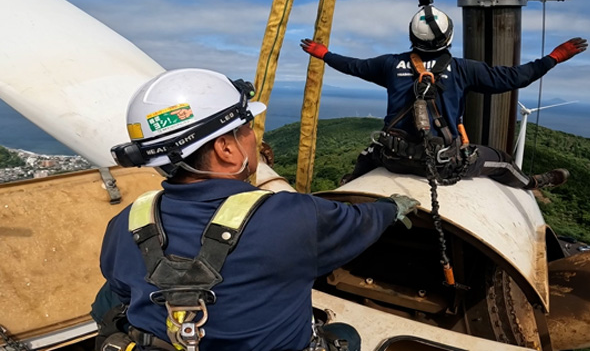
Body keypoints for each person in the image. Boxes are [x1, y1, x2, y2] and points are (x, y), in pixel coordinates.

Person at [97, 68, 420, 351]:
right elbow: (361, 222)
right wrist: (390, 208)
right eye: (246, 127)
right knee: (344, 333)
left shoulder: (126, 222)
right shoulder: (292, 216)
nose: (254, 138)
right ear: (226, 149)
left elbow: (121, 288)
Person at [300, 0, 588, 190]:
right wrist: (555, 57)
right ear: (449, 37)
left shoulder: (389, 64)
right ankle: (531, 184)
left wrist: (324, 54)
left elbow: (353, 65)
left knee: (366, 154)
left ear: (412, 37)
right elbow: (516, 78)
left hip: (392, 157)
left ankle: (348, 185)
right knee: (502, 161)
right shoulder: (464, 69)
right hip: (442, 165)